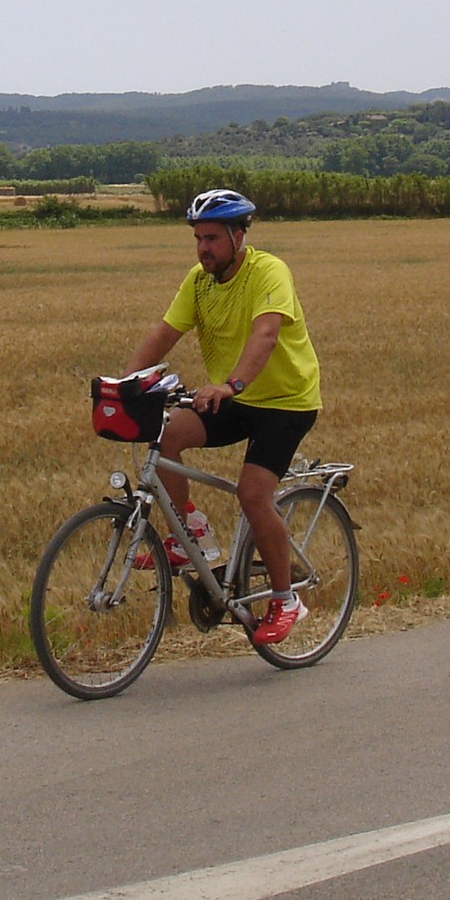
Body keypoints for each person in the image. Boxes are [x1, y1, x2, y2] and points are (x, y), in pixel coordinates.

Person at [121, 188, 323, 647]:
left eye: (211, 237)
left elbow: (266, 335)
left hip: (286, 402)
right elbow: (165, 333)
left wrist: (230, 385)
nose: (203, 248)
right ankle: (190, 528)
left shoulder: (269, 272)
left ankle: (285, 598)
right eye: (197, 238)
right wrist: (123, 384)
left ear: (237, 236)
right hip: (235, 397)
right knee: (164, 433)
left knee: (253, 495)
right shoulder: (199, 280)